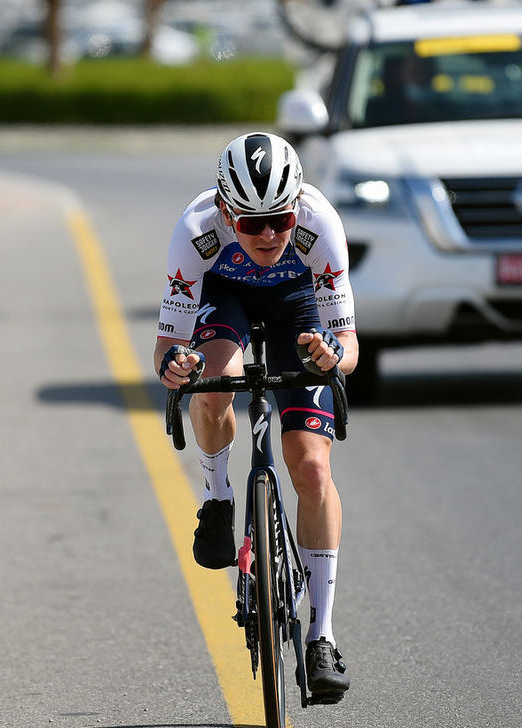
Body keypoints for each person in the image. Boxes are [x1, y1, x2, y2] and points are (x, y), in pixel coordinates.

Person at [153, 132, 359, 702]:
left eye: (280, 220)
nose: (269, 235)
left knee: (311, 467)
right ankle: (218, 498)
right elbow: (166, 346)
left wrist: (331, 356)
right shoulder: (195, 231)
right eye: (251, 224)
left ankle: (321, 635)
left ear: (297, 208)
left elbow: (348, 344)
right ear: (226, 212)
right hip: (225, 296)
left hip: (298, 303)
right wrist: (175, 366)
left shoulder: (320, 224)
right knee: (211, 384)